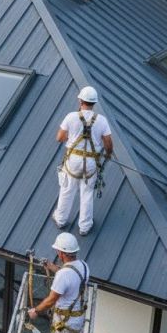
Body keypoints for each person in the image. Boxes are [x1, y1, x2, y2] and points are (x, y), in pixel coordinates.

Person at [28, 232, 89, 333]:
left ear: (62, 253)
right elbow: (70, 276)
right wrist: (52, 267)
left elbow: (51, 299)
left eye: (58, 251)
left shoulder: (63, 275)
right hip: (78, 318)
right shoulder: (83, 266)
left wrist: (35, 310)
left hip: (64, 321)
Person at [52, 86, 113, 236]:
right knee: (86, 193)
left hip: (73, 160)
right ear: (94, 103)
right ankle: (85, 226)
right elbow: (108, 143)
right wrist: (108, 155)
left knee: (67, 189)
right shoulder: (102, 121)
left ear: (80, 100)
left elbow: (59, 138)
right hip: (91, 162)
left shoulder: (71, 117)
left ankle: (60, 219)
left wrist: (72, 137)